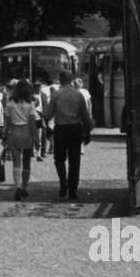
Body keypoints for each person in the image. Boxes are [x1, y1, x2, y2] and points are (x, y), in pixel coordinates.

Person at [43, 72, 93, 200]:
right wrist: (88, 132)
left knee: (59, 159)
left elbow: (48, 115)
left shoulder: (56, 95)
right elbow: (86, 117)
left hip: (60, 129)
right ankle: (73, 190)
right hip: (75, 129)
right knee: (74, 161)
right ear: (71, 80)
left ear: (60, 80)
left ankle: (63, 182)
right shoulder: (78, 95)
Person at [3, 80, 38, 201]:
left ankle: (17, 186)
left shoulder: (10, 102)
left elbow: (7, 120)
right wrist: (36, 137)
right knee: (27, 161)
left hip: (13, 131)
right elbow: (32, 122)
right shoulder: (30, 103)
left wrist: (5, 134)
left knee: (16, 162)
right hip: (26, 132)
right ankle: (24, 187)